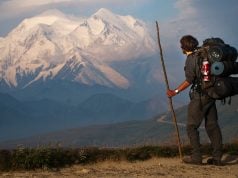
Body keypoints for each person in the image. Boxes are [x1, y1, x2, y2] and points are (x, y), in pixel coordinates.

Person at [167, 35, 223, 166]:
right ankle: (217, 158)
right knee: (212, 126)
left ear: (184, 47)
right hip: (212, 94)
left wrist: (174, 92)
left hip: (199, 96)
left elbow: (189, 80)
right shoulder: (205, 55)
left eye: (181, 45)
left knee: (191, 127)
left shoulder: (191, 59)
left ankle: (197, 157)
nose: (181, 47)